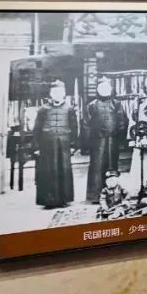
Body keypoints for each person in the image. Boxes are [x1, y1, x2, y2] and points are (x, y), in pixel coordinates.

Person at [33, 79, 77, 209]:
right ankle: (49, 201)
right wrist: (36, 147)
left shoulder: (69, 109)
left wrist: (74, 145)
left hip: (64, 146)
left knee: (64, 171)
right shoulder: (43, 110)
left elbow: (74, 128)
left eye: (60, 92)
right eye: (54, 92)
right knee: (48, 172)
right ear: (50, 94)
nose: (57, 95)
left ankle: (64, 199)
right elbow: (36, 129)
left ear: (64, 94)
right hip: (47, 146)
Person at [84, 76, 124, 205]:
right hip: (97, 142)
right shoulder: (91, 105)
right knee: (97, 167)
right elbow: (86, 124)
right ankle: (95, 196)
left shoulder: (116, 104)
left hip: (113, 141)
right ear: (97, 89)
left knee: (112, 166)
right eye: (101, 87)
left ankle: (114, 195)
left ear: (111, 89)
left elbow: (122, 121)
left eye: (107, 87)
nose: (104, 90)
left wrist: (119, 135)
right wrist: (89, 141)